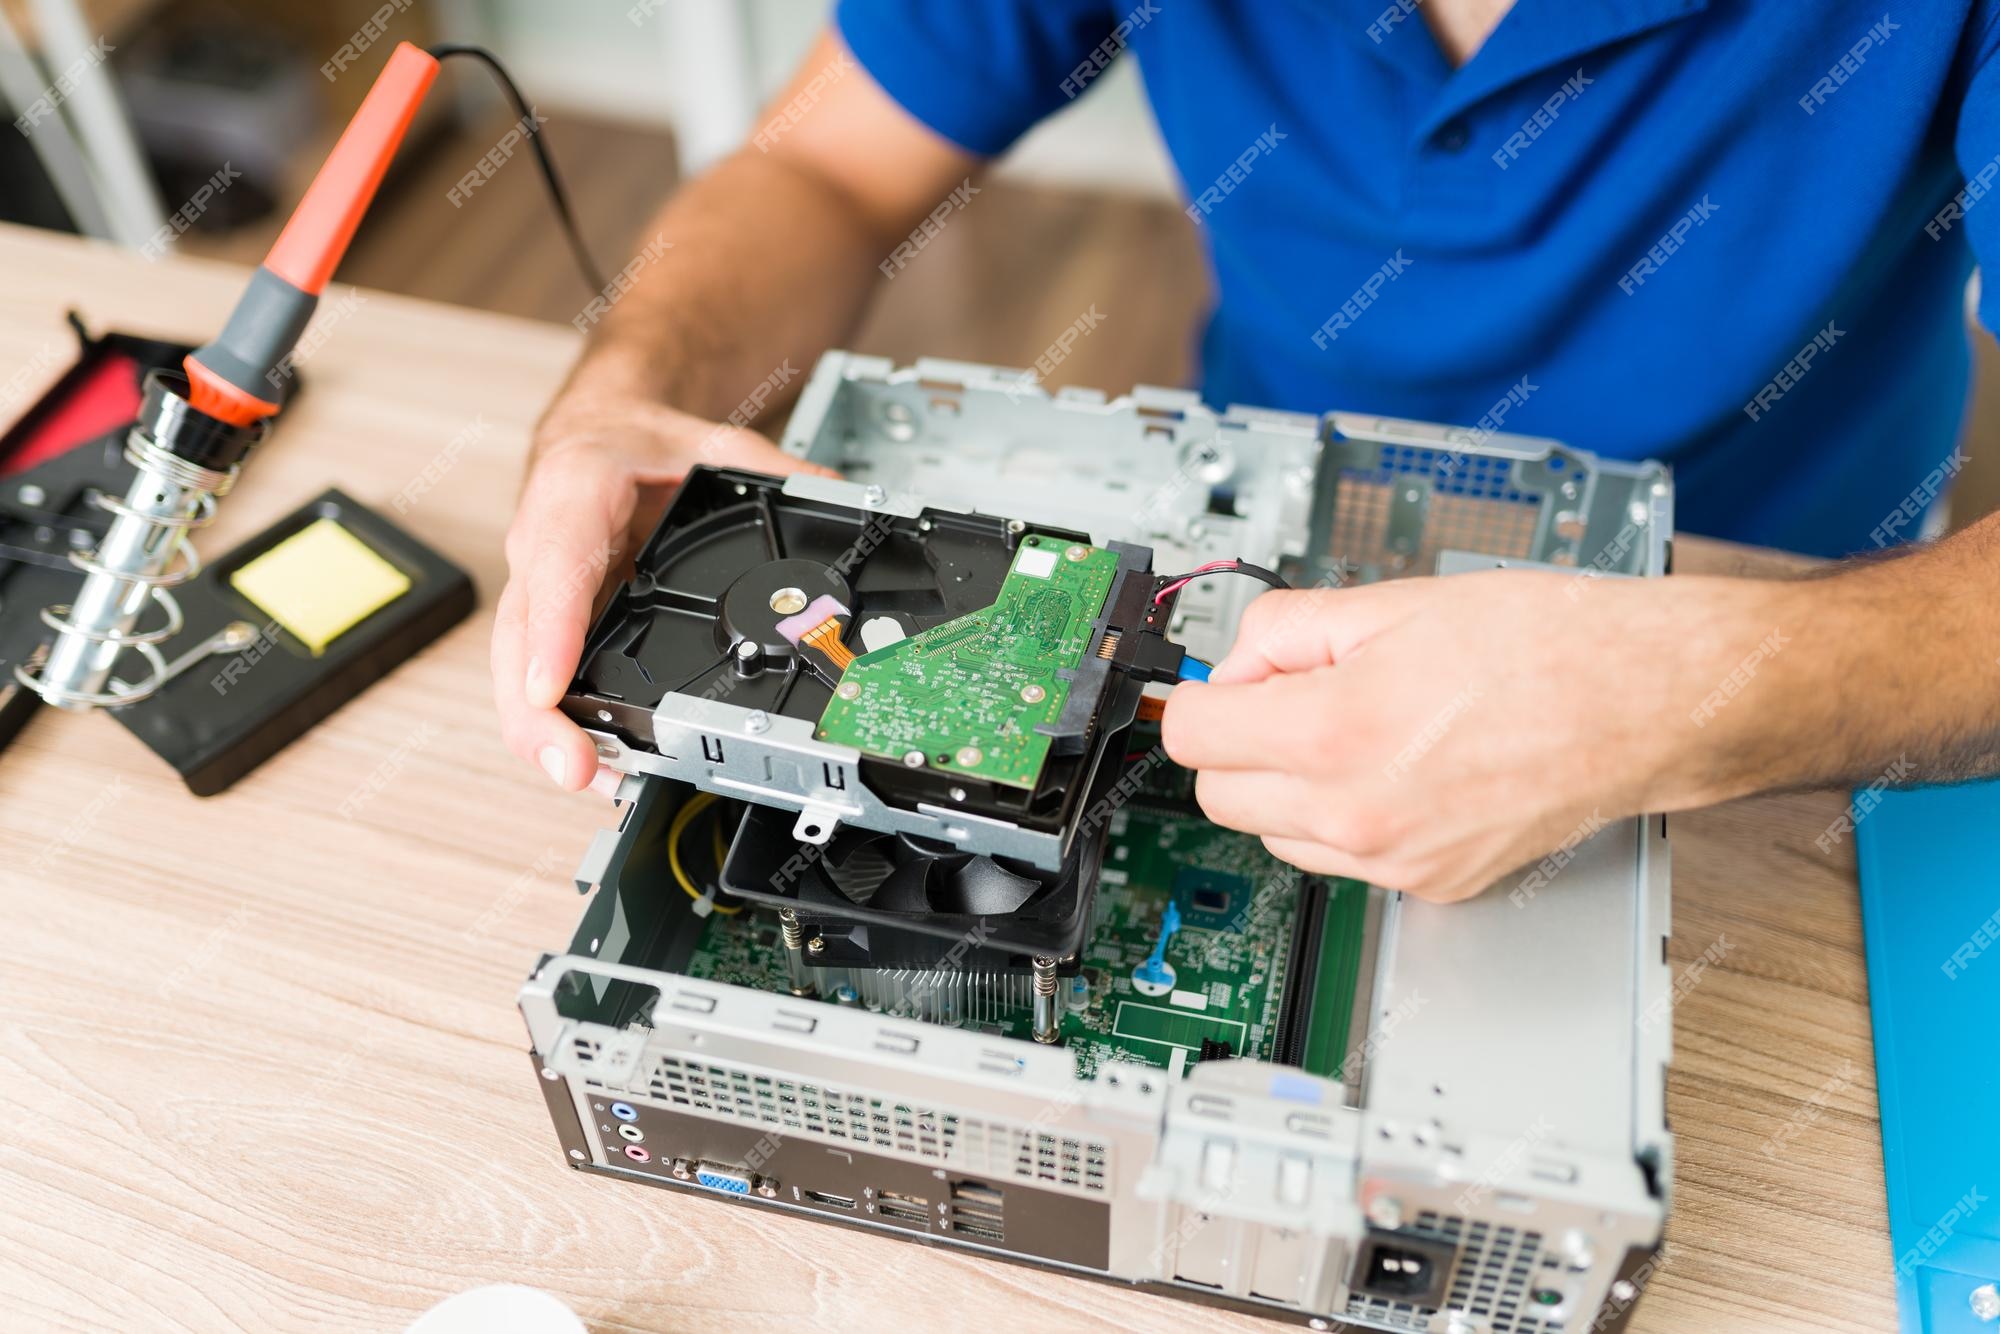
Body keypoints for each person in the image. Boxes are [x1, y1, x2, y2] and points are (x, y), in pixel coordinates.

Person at [495, 2, 2000, 902]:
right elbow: (819, 166)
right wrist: (625, 394)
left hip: (1801, 679)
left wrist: (1693, 689)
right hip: (1270, 553)